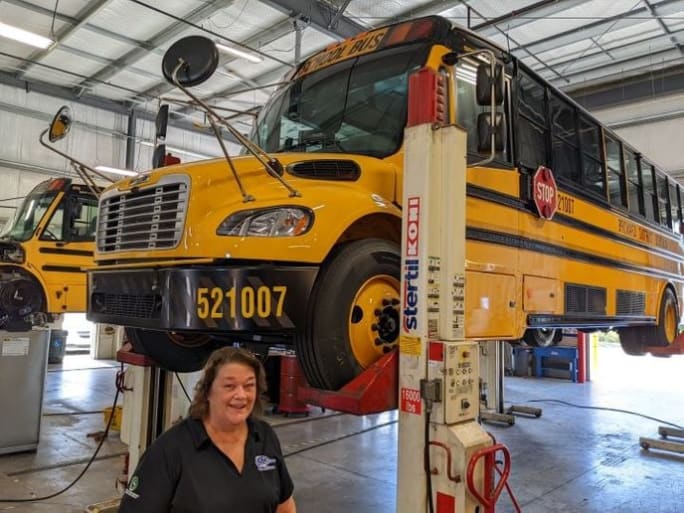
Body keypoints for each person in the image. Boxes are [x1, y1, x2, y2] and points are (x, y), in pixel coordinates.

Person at [119, 346, 296, 513]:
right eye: (229, 386)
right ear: (208, 391)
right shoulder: (170, 450)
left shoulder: (265, 436)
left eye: (249, 386)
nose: (241, 395)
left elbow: (285, 507)